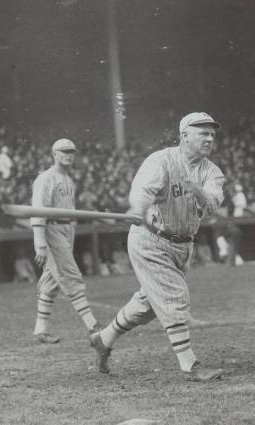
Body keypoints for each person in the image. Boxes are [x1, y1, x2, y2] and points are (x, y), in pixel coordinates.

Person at [90, 112, 225, 382]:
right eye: (203, 132)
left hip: (182, 246)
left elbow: (213, 202)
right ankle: (190, 365)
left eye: (212, 133)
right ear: (185, 134)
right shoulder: (161, 160)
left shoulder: (212, 171)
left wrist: (196, 190)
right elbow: (142, 192)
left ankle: (103, 339)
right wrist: (138, 208)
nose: (210, 138)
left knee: (147, 305)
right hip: (150, 239)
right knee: (174, 296)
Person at [31, 138, 101, 343]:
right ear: (54, 154)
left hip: (67, 228)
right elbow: (37, 211)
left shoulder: (69, 180)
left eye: (71, 151)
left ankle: (40, 330)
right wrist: (40, 242)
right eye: (64, 151)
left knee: (52, 281)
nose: (69, 154)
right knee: (70, 274)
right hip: (51, 228)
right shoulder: (46, 178)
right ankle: (92, 325)